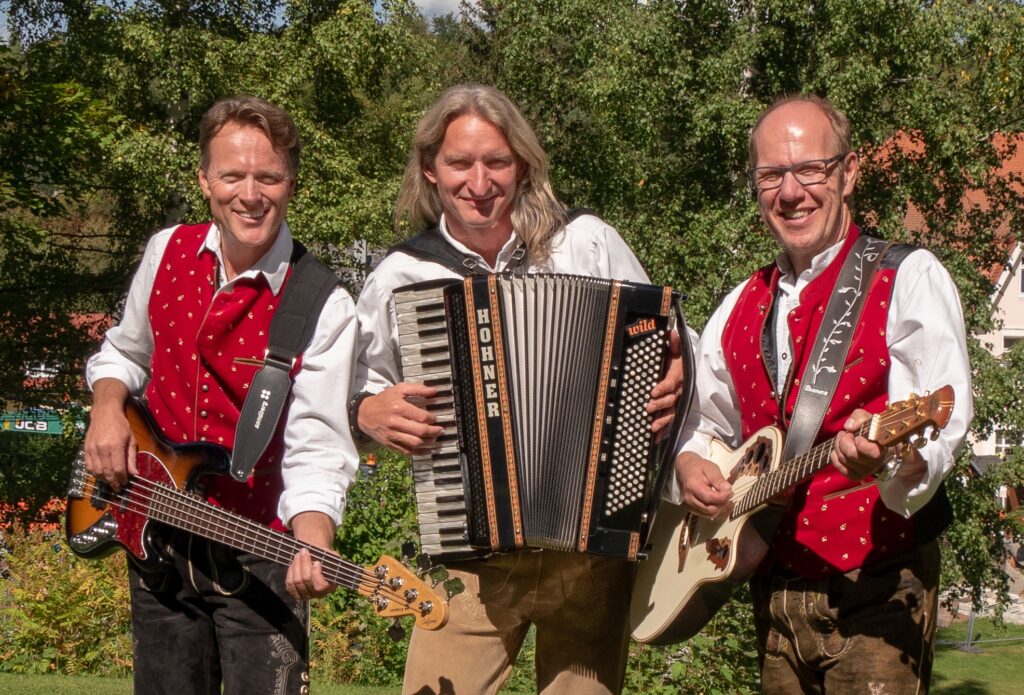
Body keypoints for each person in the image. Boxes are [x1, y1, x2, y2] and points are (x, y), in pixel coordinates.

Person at [351, 83, 688, 695]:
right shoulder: (403, 274)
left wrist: (676, 369)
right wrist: (367, 412)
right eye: (460, 162)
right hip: (469, 553)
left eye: (497, 162)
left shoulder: (585, 241)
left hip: (589, 549)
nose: (479, 182)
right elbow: (350, 392)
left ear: (523, 166)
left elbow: (670, 339)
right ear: (430, 169)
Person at [674, 95, 973, 694]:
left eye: (810, 169)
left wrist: (893, 457)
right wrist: (687, 463)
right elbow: (705, 424)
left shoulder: (907, 277)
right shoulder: (737, 305)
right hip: (772, 589)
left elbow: (940, 433)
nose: (790, 192)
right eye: (771, 175)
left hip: (879, 586)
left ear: (849, 171)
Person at [84, 95, 360, 694]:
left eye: (269, 177)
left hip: (260, 550)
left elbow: (317, 445)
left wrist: (314, 543)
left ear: (291, 184)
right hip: (155, 533)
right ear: (205, 180)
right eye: (232, 176)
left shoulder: (324, 304)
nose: (250, 194)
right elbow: (126, 352)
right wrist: (106, 408)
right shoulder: (166, 250)